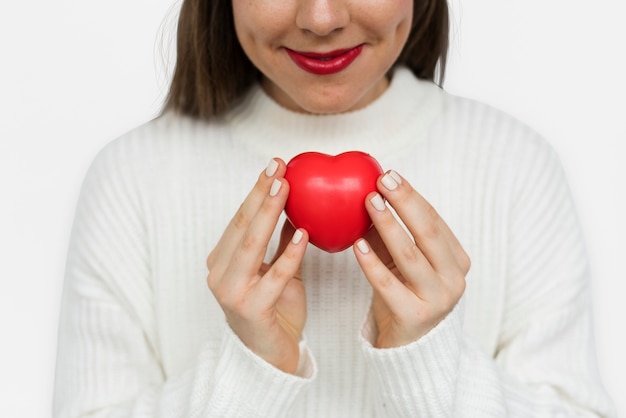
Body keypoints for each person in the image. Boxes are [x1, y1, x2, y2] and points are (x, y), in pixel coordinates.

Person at [53, 0, 615, 416]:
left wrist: (429, 361)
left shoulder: (516, 164)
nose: (321, 19)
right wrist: (249, 372)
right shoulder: (129, 178)